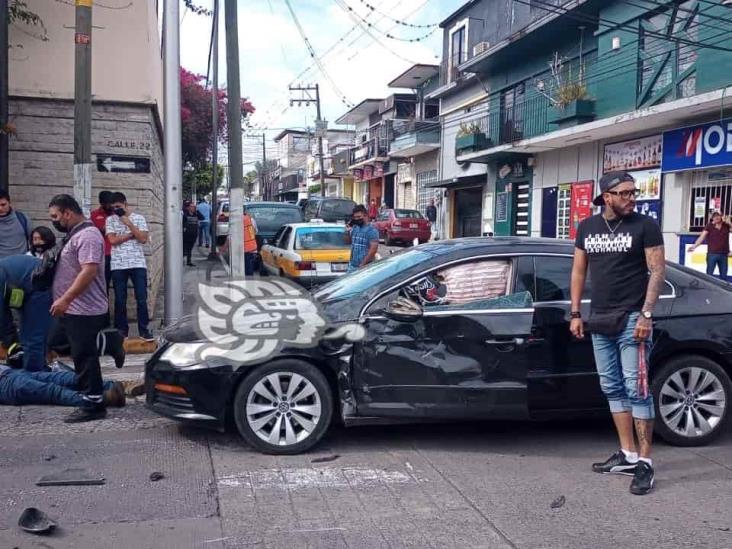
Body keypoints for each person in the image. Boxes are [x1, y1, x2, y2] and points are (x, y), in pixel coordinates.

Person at [570, 171, 665, 496]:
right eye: (624, 193)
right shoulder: (587, 227)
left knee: (637, 389)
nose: (631, 198)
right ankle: (627, 454)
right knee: (611, 387)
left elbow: (657, 271)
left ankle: (645, 463)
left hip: (631, 319)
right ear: (606, 196)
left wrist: (646, 314)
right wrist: (576, 312)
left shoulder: (645, 226)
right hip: (599, 320)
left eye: (633, 193)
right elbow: (579, 270)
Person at [48, 194, 110, 422]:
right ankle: (108, 345)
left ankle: (94, 403)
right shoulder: (74, 234)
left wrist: (66, 298)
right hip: (70, 309)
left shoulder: (88, 235)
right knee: (55, 342)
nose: (54, 221)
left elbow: (89, 271)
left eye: (56, 216)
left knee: (84, 356)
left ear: (68, 213)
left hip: (84, 309)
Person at [105, 192, 153, 340]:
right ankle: (122, 330)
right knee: (120, 299)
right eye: (114, 208)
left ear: (125, 204)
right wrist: (130, 235)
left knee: (141, 297)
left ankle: (144, 330)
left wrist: (129, 224)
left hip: (137, 263)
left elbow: (143, 239)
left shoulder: (138, 218)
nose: (117, 210)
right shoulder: (110, 220)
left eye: (119, 207)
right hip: (118, 264)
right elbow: (112, 240)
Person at [0, 255, 52, 372]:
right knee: (27, 336)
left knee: (33, 337)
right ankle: (37, 370)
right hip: (25, 286)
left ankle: (35, 377)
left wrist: (10, 341)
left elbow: (2, 318)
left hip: (38, 285)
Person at [0, 366, 126, 408]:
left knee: (64, 378)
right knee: (53, 391)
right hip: (5, 386)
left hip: (10, 372)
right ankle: (103, 398)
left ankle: (109, 386)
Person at [689, 211, 730, 281]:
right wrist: (694, 246)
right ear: (712, 218)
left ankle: (722, 291)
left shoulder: (726, 226)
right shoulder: (709, 226)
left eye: (718, 215)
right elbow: (702, 237)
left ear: (721, 216)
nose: (716, 217)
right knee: (709, 276)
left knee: (724, 276)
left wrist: (729, 221)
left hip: (724, 254)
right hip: (712, 254)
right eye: (714, 216)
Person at [90, 190, 115, 290]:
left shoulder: (117, 214)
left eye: (112, 203)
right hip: (104, 254)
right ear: (102, 203)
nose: (111, 206)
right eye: (108, 204)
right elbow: (95, 231)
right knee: (104, 284)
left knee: (119, 286)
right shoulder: (94, 215)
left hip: (118, 254)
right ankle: (105, 306)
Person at [345, 204, 379, 272]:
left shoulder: (372, 230)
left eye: (359, 217)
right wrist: (347, 232)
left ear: (365, 215)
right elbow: (348, 242)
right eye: (355, 217)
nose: (357, 219)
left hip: (365, 267)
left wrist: (362, 264)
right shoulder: (355, 228)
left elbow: (373, 250)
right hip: (352, 265)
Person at [0, 189, 31, 259]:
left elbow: (33, 242)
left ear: (9, 203)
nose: (0, 208)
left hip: (21, 265)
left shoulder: (23, 219)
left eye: (3, 205)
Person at [182, 201, 203, 266]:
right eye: (192, 206)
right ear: (188, 208)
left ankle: (189, 261)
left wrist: (197, 211)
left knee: (190, 248)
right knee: (184, 248)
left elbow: (202, 217)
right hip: (186, 234)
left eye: (194, 207)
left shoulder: (196, 214)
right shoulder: (185, 214)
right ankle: (181, 261)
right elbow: (182, 222)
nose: (193, 208)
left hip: (194, 234)